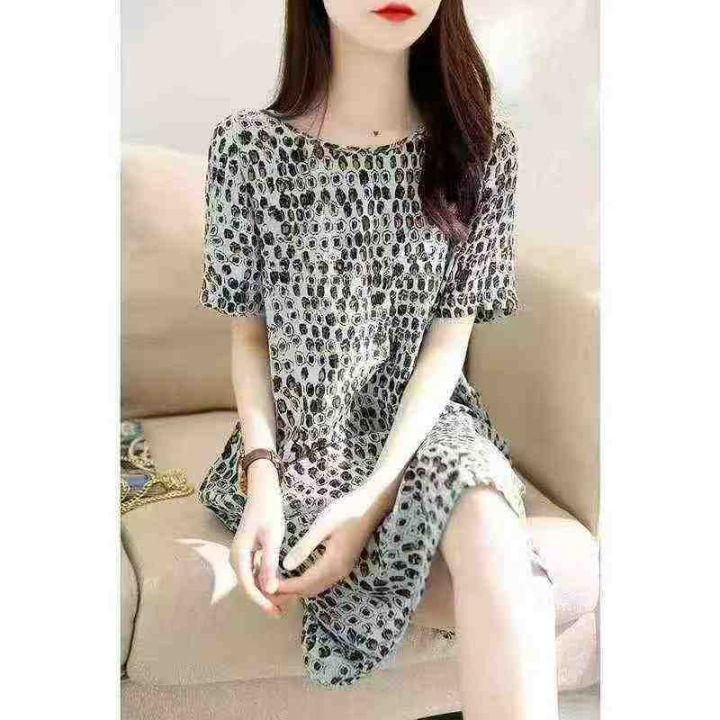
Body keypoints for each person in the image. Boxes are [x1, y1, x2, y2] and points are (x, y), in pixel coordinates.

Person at [197, 1, 558, 717]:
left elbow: (447, 345)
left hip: (429, 423)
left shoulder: (481, 150)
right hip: (306, 432)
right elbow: (250, 338)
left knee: (488, 520)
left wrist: (371, 500)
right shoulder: (247, 149)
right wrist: (261, 476)